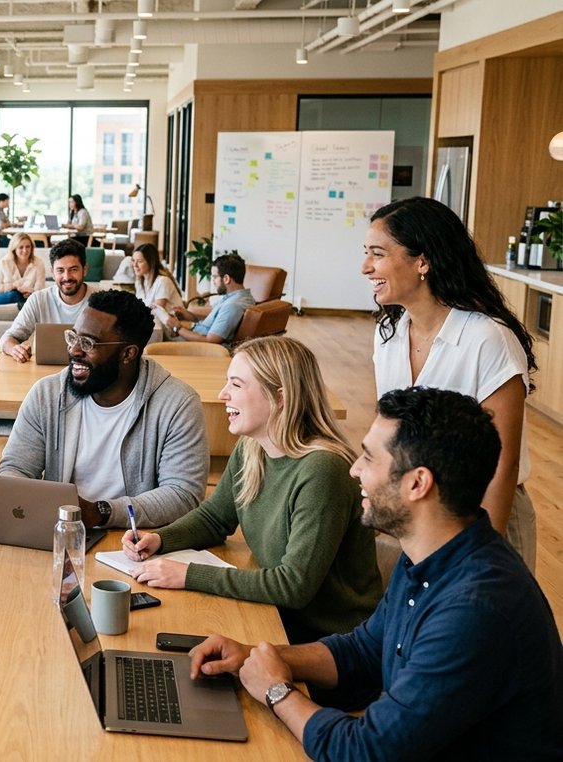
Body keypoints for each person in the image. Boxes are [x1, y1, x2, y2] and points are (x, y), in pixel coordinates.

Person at [188, 387, 562, 761]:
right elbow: (365, 652)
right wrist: (257, 658)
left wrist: (277, 690)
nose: (354, 469)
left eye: (368, 458)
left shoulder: (475, 610)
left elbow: (366, 752)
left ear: (417, 483)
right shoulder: (429, 554)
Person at [123, 336, 381, 644]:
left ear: (280, 397)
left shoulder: (323, 471)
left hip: (329, 641)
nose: (222, 395)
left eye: (236, 385)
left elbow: (293, 586)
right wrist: (161, 538)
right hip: (275, 614)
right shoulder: (253, 448)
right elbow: (214, 519)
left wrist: (187, 575)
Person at [362, 196, 537, 569]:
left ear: (422, 260)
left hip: (483, 515)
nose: (365, 267)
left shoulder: (487, 338)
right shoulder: (389, 333)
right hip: (418, 511)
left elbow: (502, 463)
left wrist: (480, 554)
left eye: (377, 254)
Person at [0, 289, 208, 528]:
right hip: (62, 530)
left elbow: (183, 494)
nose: (74, 351)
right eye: (73, 337)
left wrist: (102, 512)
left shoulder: (177, 404)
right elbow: (15, 468)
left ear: (128, 354)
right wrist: (19, 496)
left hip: (138, 539)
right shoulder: (47, 394)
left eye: (88, 343)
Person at [0, 238, 98, 362]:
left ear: (85, 269)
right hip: (45, 373)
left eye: (73, 269)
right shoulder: (38, 299)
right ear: (52, 272)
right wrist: (14, 349)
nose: (66, 277)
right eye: (60, 270)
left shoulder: (101, 301)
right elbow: (7, 338)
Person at [164, 252, 255, 344]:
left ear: (226, 279)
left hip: (199, 346)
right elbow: (214, 319)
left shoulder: (232, 306)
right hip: (195, 335)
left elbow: (210, 340)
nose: (213, 282)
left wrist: (178, 328)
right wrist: (188, 315)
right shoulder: (239, 297)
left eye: (215, 277)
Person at [130, 242, 183, 335]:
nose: (135, 265)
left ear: (150, 262)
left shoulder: (163, 281)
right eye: (133, 260)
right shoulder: (140, 281)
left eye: (139, 261)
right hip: (156, 328)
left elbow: (156, 311)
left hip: (172, 331)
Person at [0, 232, 46, 308]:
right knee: (13, 295)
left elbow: (40, 290)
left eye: (28, 247)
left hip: (29, 299)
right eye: (21, 247)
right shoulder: (4, 263)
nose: (25, 250)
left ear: (31, 248)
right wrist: (14, 286)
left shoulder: (38, 263)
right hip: (6, 297)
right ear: (14, 249)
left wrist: (31, 292)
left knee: (33, 300)